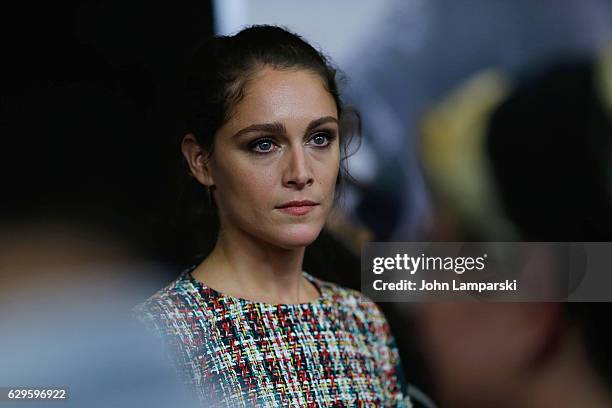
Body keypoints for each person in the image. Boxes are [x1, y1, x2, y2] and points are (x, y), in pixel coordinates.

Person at [134, 25, 412, 407]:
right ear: (201, 161)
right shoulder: (156, 339)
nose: (301, 172)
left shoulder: (362, 321)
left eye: (320, 138)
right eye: (264, 144)